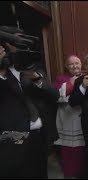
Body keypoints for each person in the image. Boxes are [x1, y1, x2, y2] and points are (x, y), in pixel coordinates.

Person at [0, 44, 59, 178]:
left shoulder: (33, 70)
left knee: (40, 171)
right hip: (14, 136)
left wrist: (36, 79)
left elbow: (54, 95)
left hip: (39, 134)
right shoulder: (3, 76)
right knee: (18, 171)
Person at [53, 55, 85, 178]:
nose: (75, 66)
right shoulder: (60, 78)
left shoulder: (86, 77)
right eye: (71, 64)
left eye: (77, 63)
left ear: (81, 64)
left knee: (82, 147)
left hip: (82, 117)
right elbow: (55, 96)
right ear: (66, 66)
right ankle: (70, 172)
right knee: (68, 148)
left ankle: (82, 171)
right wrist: (70, 83)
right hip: (66, 117)